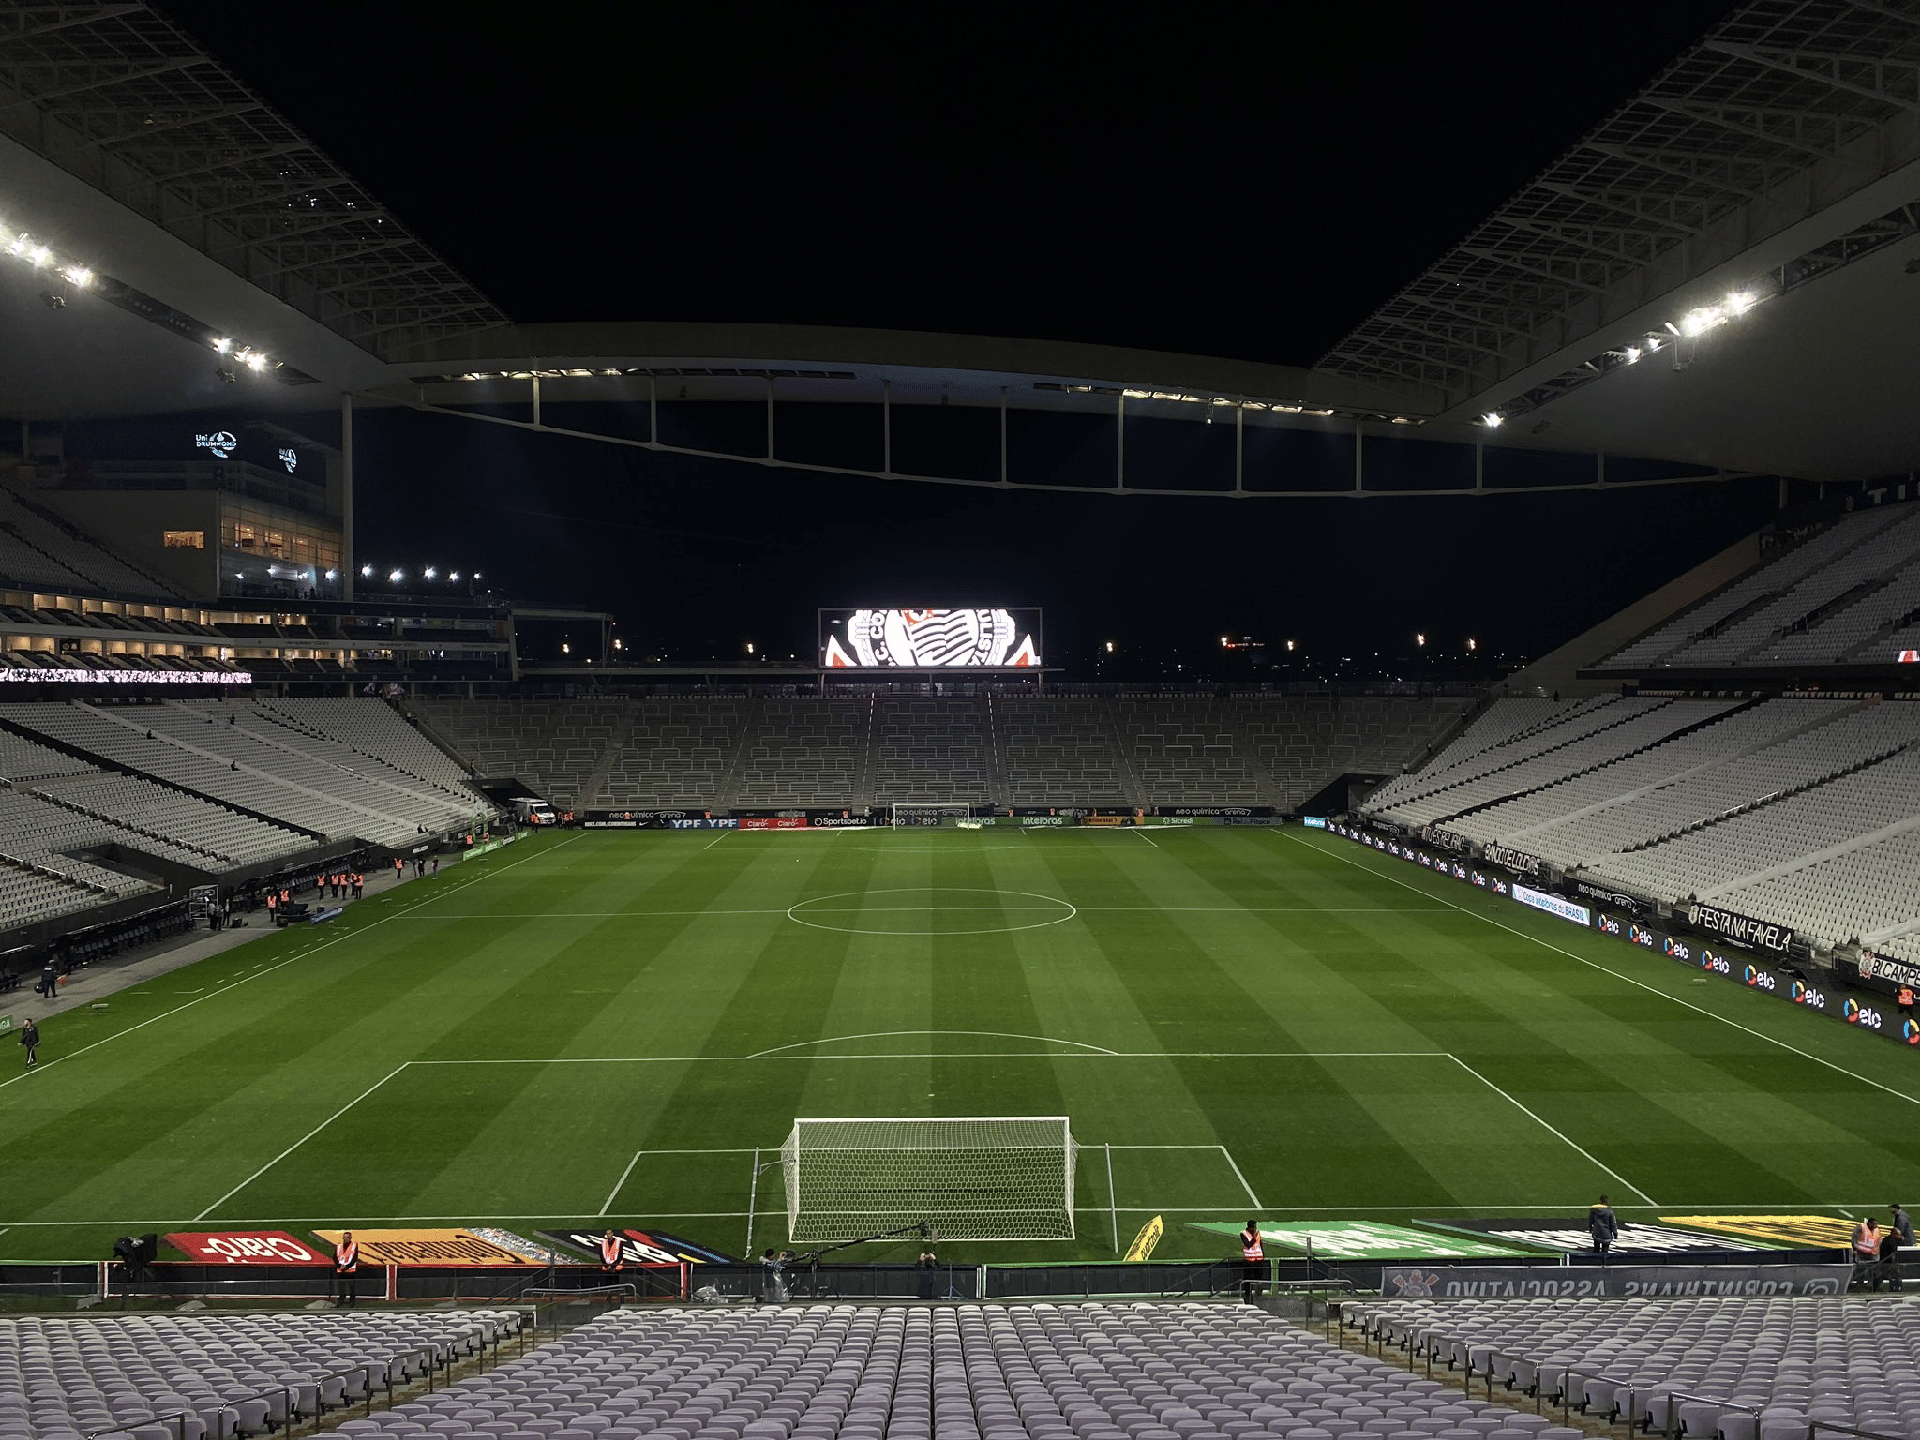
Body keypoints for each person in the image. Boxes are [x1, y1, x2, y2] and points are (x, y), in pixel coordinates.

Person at [1878, 1213, 1906, 1292]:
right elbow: (1893, 1254)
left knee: (1886, 1277)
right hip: (1889, 1263)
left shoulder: (1886, 1239)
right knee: (1894, 1277)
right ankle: (1896, 1289)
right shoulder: (1892, 1242)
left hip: (1884, 1262)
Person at [1239, 1219, 1264, 1298]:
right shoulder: (1244, 1234)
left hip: (1258, 1259)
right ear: (1250, 1227)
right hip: (1249, 1260)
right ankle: (1247, 1293)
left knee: (1259, 1277)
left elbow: (1260, 1244)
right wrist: (1254, 1237)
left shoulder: (1257, 1233)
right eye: (1254, 1227)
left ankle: (1259, 1292)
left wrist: (1262, 1254)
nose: (1255, 1228)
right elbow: (1248, 1245)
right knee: (1248, 1278)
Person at [1854, 1216, 1881, 1288]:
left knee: (1872, 1271)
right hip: (1861, 1253)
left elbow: (1879, 1241)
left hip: (1872, 1255)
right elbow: (1854, 1238)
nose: (1876, 1226)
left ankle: (1871, 1284)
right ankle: (1859, 1283)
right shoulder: (1861, 1228)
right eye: (1874, 1224)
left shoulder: (1877, 1230)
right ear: (1869, 1223)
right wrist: (1855, 1249)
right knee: (1860, 1270)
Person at [333, 1230, 359, 1305]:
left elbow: (354, 1258)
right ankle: (341, 1299)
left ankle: (352, 1300)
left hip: (350, 1270)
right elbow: (335, 1257)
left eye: (347, 1237)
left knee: (351, 1287)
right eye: (344, 1237)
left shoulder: (354, 1245)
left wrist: (347, 1266)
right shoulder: (339, 1246)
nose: (345, 1239)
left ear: (351, 1238)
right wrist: (338, 1265)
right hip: (340, 1270)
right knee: (341, 1287)